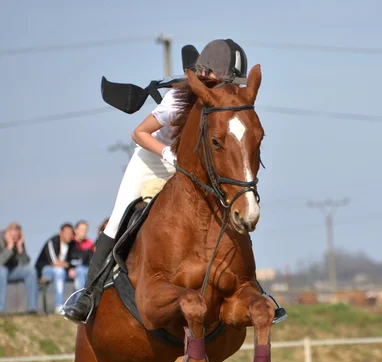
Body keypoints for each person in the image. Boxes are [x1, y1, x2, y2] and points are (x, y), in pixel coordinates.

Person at [63, 39, 249, 324]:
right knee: (117, 219)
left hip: (185, 168)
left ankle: (248, 286)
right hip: (151, 162)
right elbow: (138, 133)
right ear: (210, 75)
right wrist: (166, 153)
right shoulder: (176, 100)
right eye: (228, 82)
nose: (232, 89)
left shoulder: (221, 105)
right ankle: (90, 294)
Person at [35, 223, 77, 314]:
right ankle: (59, 305)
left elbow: (74, 261)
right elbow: (54, 262)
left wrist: (70, 267)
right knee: (59, 271)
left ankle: (77, 306)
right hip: (45, 269)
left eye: (71, 233)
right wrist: (67, 266)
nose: (69, 235)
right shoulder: (52, 241)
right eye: (67, 233)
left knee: (79, 272)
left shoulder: (72, 244)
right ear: (60, 233)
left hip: (63, 270)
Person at [0, 222, 38, 314]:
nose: (15, 237)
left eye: (17, 235)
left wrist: (20, 248)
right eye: (13, 235)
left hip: (12, 271)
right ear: (7, 233)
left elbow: (26, 262)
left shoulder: (19, 241)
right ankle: (0, 309)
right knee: (2, 271)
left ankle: (32, 308)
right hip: (2, 271)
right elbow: (1, 262)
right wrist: (9, 247)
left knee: (31, 271)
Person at [69, 220, 95, 294]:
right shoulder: (70, 242)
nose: (83, 232)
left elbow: (91, 260)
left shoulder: (89, 243)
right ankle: (80, 299)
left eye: (85, 230)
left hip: (84, 269)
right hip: (71, 270)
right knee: (80, 271)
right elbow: (66, 259)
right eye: (81, 230)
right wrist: (69, 268)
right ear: (76, 230)